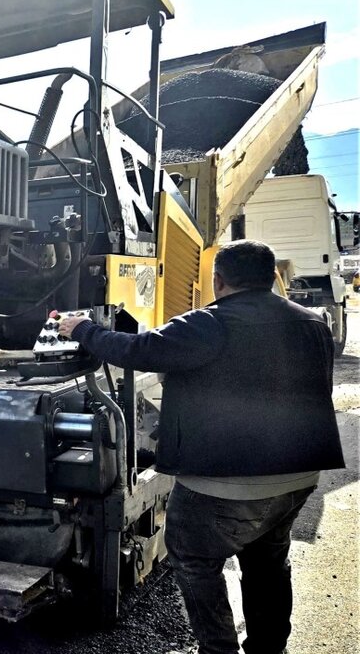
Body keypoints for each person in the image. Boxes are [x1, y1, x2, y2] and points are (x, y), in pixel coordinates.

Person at [57, 240, 344, 654]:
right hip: (297, 479)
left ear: (218, 280)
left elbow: (137, 351)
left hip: (222, 486)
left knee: (195, 562)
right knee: (267, 564)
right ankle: (269, 647)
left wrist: (82, 329)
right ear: (272, 278)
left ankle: (217, 649)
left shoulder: (208, 324)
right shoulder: (313, 322)